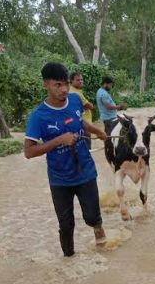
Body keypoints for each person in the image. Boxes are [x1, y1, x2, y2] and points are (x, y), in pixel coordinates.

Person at [24, 62, 109, 257]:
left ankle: (103, 248)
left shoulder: (75, 101)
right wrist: (59, 140)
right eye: (57, 85)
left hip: (85, 171)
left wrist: (98, 131)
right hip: (60, 178)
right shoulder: (38, 116)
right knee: (65, 223)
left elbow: (81, 122)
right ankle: (69, 259)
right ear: (46, 84)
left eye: (65, 84)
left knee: (93, 217)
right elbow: (28, 152)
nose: (63, 90)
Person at [69, 71, 95, 149]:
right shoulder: (76, 94)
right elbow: (89, 106)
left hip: (77, 125)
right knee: (86, 150)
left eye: (81, 79)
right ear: (71, 81)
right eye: (78, 80)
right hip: (83, 125)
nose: (80, 81)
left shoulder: (72, 91)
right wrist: (90, 105)